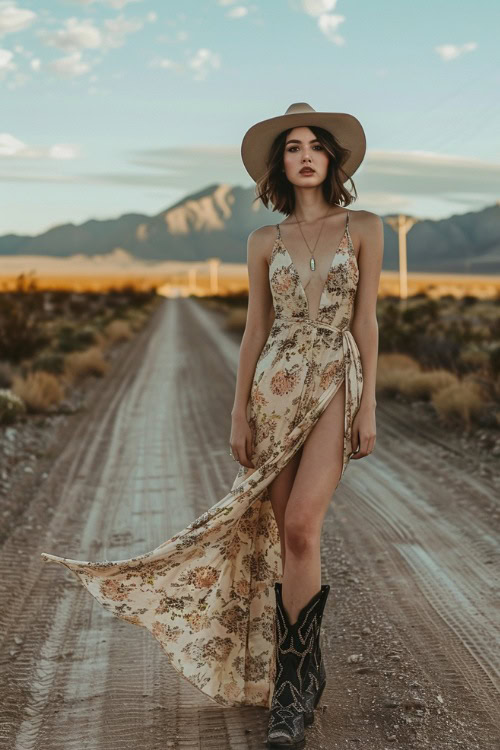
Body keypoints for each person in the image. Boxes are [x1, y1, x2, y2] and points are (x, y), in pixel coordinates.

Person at [40, 102, 383, 750]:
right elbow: (256, 329)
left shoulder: (363, 226)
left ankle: (295, 684)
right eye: (292, 148)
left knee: (305, 524)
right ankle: (297, 683)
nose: (305, 155)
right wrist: (238, 411)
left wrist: (368, 405)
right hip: (273, 387)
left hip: (336, 377)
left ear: (332, 159)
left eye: (315, 146)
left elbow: (366, 320)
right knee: (287, 537)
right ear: (280, 164)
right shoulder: (263, 241)